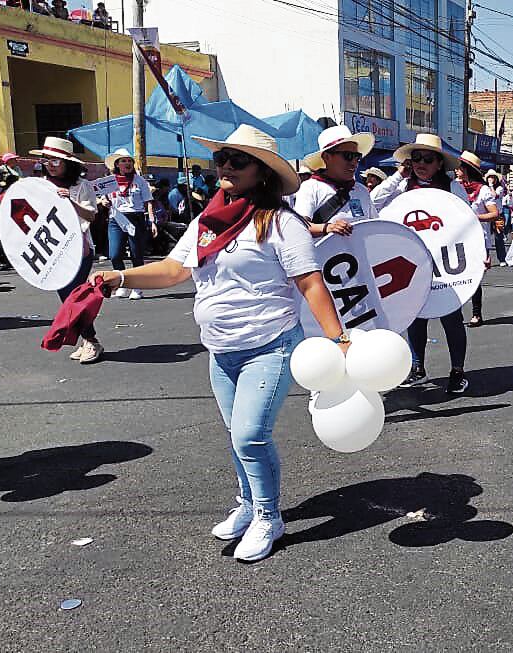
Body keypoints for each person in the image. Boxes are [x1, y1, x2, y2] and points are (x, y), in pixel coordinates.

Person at [90, 125, 347, 562]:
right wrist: (121, 277)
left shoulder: (282, 222)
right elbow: (174, 270)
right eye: (221, 158)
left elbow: (310, 282)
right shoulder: (207, 223)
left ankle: (268, 517)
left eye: (238, 160)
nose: (226, 166)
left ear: (263, 172)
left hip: (270, 345)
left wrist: (337, 339)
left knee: (250, 435)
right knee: (235, 435)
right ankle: (248, 504)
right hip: (221, 349)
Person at [372, 134, 472, 394]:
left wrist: (479, 253)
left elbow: (469, 222)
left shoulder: (452, 188)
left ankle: (457, 371)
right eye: (416, 158)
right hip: (413, 262)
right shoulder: (403, 187)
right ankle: (417, 367)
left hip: (446, 262)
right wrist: (398, 175)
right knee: (415, 315)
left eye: (428, 159)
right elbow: (373, 202)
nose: (421, 164)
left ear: (439, 164)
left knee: (451, 317)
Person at [29, 137, 101, 362]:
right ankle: (87, 339)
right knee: (67, 297)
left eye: (55, 160)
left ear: (68, 163)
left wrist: (71, 201)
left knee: (74, 297)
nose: (50, 165)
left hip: (79, 249)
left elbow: (91, 215)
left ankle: (91, 341)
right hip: (51, 249)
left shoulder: (82, 186)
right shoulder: (41, 185)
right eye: (46, 160)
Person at [294, 125, 377, 237]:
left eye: (357, 157)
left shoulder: (362, 190)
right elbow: (299, 228)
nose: (354, 162)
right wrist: (327, 228)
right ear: (327, 157)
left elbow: (375, 225)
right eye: (348, 156)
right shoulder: (310, 187)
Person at [99, 149, 156, 301]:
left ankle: (137, 286)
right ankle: (122, 283)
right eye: (123, 161)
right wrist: (104, 201)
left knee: (136, 254)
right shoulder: (109, 181)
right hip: (116, 218)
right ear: (117, 164)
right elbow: (102, 198)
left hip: (135, 217)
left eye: (129, 161)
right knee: (115, 254)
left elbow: (148, 201)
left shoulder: (140, 181)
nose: (127, 163)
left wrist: (152, 221)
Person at [458, 151, 499, 327]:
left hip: (478, 240)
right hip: (458, 239)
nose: (456, 170)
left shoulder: (483, 190)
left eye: (460, 167)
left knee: (474, 278)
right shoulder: (455, 187)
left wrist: (475, 217)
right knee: (457, 277)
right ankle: (456, 313)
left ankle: (476, 313)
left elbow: (494, 213)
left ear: (467, 170)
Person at [485, 169, 508, 264]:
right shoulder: (484, 188)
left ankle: (502, 259)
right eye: (489, 177)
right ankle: (485, 258)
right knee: (485, 236)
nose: (491, 179)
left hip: (498, 215)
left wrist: (491, 186)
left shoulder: (500, 188)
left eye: (493, 177)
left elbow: (495, 196)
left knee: (499, 237)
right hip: (488, 215)